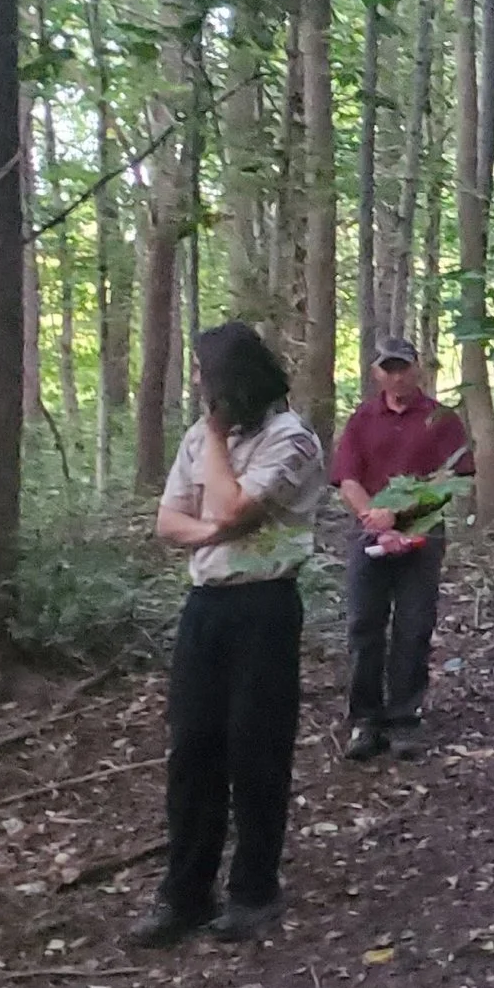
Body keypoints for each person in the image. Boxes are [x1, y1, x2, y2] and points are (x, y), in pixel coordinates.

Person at [129, 322, 329, 948]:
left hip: (265, 605)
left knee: (256, 748)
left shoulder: (291, 439)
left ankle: (254, 889)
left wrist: (217, 489)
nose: (195, 382)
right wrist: (214, 529)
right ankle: (184, 894)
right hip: (206, 605)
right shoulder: (198, 436)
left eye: (202, 371)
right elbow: (170, 521)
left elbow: (230, 508)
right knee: (192, 750)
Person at [329, 335, 475, 761]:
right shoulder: (362, 419)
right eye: (388, 368)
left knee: (414, 625)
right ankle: (364, 720)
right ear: (377, 373)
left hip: (423, 533)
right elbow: (347, 479)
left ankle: (405, 717)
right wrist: (373, 518)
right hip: (368, 533)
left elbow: (452, 478)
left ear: (418, 369)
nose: (397, 375)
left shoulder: (441, 419)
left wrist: (401, 512)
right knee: (364, 625)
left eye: (403, 367)